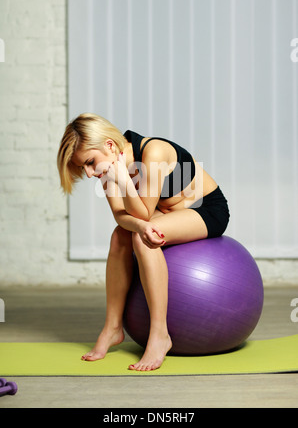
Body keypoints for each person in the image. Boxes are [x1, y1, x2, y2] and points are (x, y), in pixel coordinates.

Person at [57, 112, 229, 371]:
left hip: (206, 209)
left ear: (110, 145)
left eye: (90, 162)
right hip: (168, 214)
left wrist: (125, 183)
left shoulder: (154, 153)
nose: (91, 173)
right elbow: (121, 216)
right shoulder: (109, 165)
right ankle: (112, 327)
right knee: (120, 237)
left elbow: (144, 214)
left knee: (143, 239)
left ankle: (160, 335)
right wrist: (138, 222)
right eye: (84, 168)